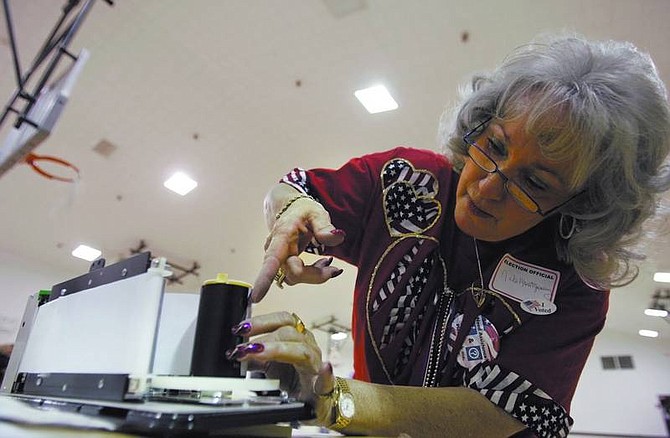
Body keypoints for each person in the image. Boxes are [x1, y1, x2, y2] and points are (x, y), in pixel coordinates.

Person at [228, 35, 670, 437]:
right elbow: (297, 190)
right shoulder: (406, 182)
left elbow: (499, 410)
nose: (486, 187)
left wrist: (338, 399)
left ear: (581, 205)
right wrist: (289, 209)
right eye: (494, 146)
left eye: (534, 183)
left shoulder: (575, 280)